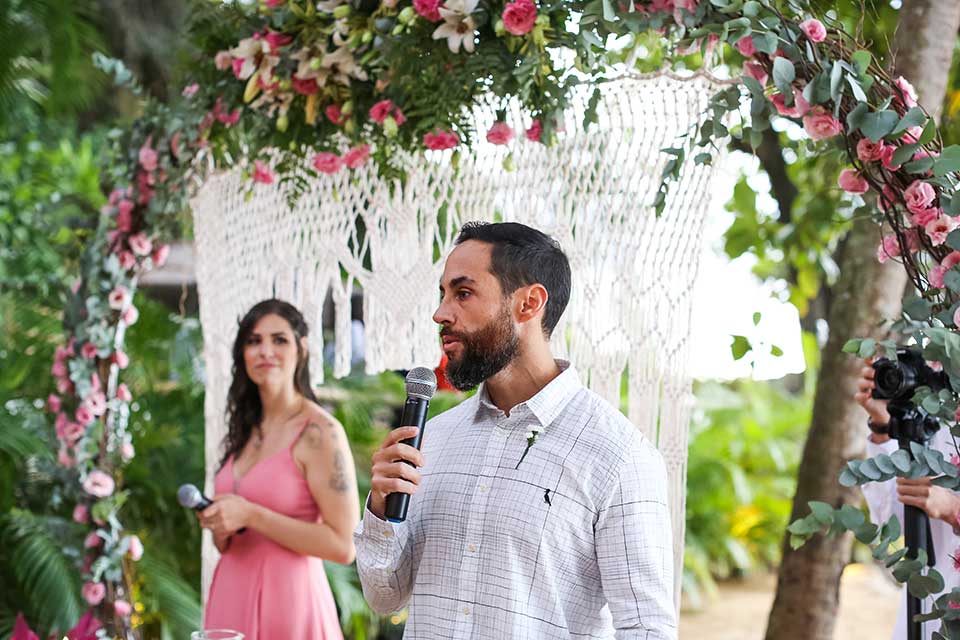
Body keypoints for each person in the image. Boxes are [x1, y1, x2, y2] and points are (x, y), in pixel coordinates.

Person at [354, 222, 677, 639]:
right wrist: (381, 511)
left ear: (528, 303)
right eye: (443, 294)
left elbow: (646, 628)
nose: (440, 314)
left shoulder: (619, 456)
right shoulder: (433, 437)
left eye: (463, 293)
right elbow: (385, 597)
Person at [199, 298, 359, 639]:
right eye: (253, 341)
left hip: (290, 603)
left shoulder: (320, 432)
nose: (265, 351)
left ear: (301, 349)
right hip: (230, 597)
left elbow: (344, 545)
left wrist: (252, 515)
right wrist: (220, 523)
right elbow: (226, 542)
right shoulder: (243, 430)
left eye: (279, 340)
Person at [855, 357, 960, 640]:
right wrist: (882, 424)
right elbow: (893, 522)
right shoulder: (939, 403)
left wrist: (954, 510)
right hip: (927, 610)